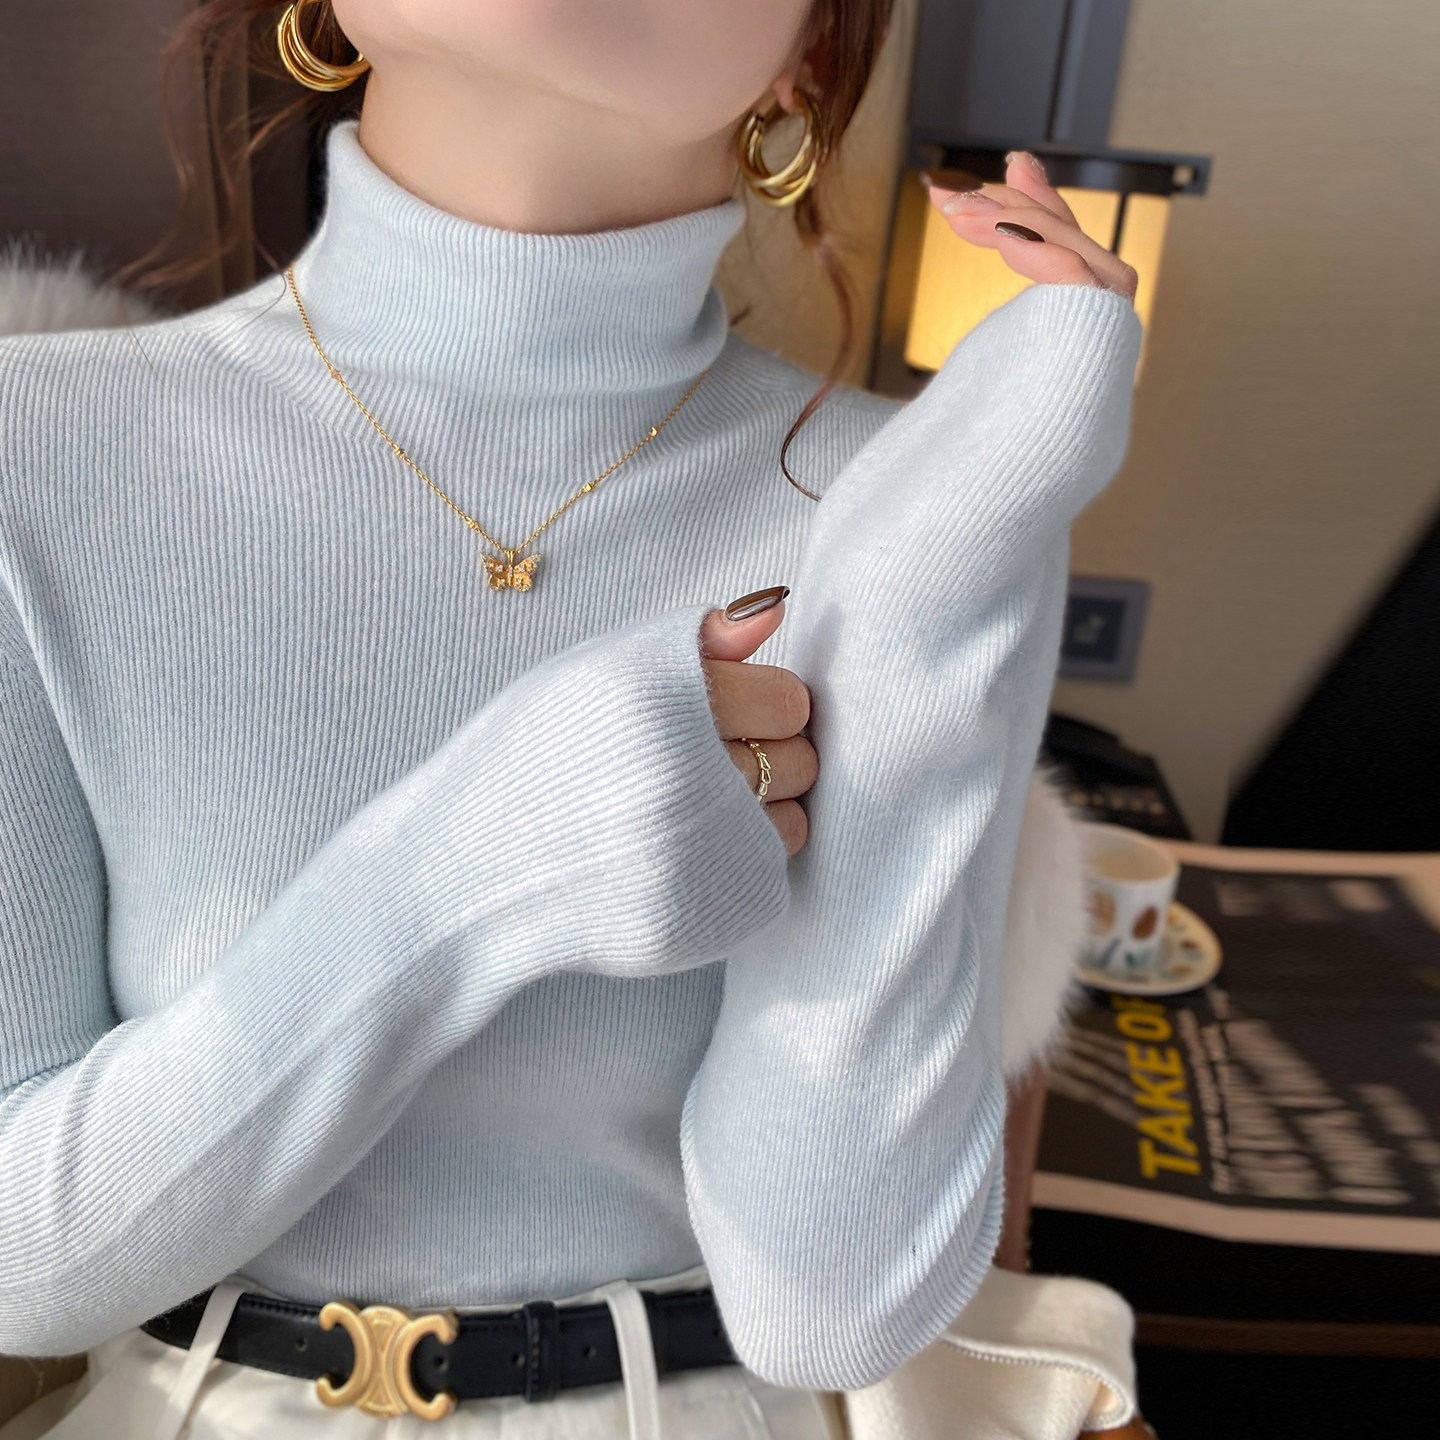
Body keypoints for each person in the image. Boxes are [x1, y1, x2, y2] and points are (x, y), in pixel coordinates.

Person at [0, 1, 1140, 1436]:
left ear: (811, 55)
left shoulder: (915, 501)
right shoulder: (30, 452)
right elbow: (17, 1265)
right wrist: (481, 860)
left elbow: (832, 1302)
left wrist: (933, 582)